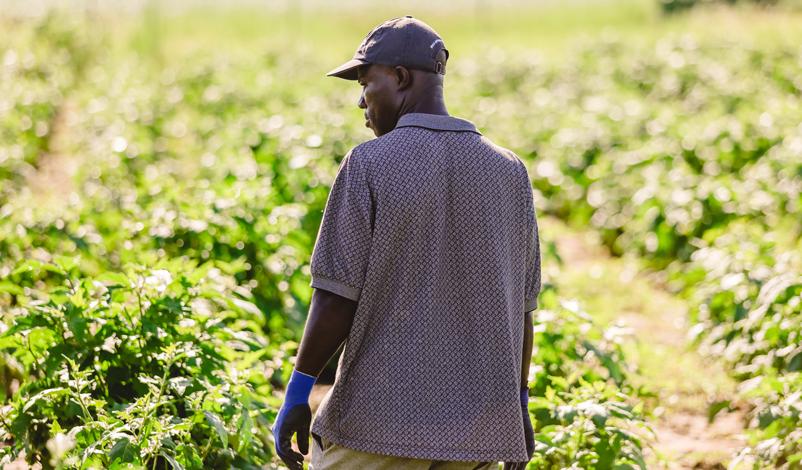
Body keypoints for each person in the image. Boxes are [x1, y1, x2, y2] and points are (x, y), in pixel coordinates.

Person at [271, 16, 541, 470]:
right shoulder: (509, 171)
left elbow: (336, 296)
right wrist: (518, 402)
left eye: (364, 81)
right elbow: (522, 308)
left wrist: (298, 392)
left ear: (399, 77)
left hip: (377, 426)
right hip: (477, 433)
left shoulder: (369, 165)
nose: (360, 101)